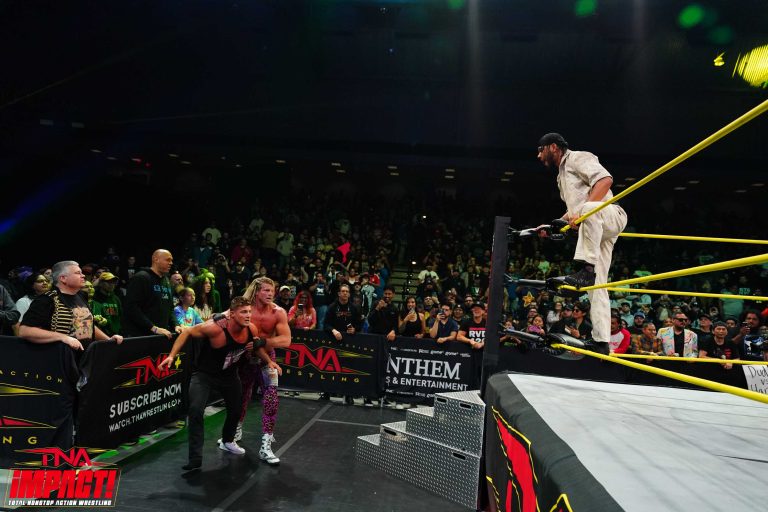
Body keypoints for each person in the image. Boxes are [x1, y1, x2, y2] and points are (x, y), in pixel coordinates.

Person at [158, 296, 280, 471]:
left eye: (249, 312)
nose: (248, 315)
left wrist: (269, 361)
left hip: (229, 376)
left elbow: (256, 346)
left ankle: (227, 441)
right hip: (204, 375)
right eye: (243, 312)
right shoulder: (214, 328)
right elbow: (187, 332)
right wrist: (171, 356)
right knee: (196, 410)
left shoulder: (251, 329)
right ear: (232, 314)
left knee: (237, 409)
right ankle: (195, 458)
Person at [536, 133, 628, 354]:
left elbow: (605, 180)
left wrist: (583, 213)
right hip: (595, 227)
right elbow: (574, 210)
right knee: (598, 286)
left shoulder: (578, 157)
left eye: (541, 150)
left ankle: (586, 269)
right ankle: (601, 341)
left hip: (610, 215)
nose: (538, 155)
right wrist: (554, 224)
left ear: (553, 147)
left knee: (588, 208)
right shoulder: (561, 176)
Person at [223, 277, 291, 465]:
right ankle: (234, 432)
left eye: (272, 290)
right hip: (244, 359)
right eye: (266, 290)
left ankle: (266, 445)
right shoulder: (245, 308)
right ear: (256, 291)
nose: (270, 294)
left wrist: (264, 341)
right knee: (241, 397)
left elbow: (286, 340)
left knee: (272, 399)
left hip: (267, 359)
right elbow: (224, 316)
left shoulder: (278, 312)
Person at [20, 261, 123, 351]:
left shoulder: (82, 296)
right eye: (78, 273)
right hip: (58, 360)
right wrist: (63, 337)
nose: (83, 276)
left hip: (84, 359)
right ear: (63, 278)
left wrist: (108, 340)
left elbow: (86, 325)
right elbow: (25, 331)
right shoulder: (47, 299)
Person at [123, 249, 182, 338]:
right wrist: (153, 328)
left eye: (171, 260)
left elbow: (170, 308)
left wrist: (176, 325)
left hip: (162, 335)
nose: (171, 263)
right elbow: (131, 307)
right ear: (156, 259)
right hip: (142, 336)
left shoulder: (166, 280)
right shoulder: (141, 277)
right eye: (168, 260)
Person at [91, 272, 122, 336]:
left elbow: (120, 316)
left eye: (113, 282)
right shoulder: (94, 298)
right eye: (108, 282)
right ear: (101, 283)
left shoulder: (116, 299)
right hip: (101, 335)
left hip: (116, 334)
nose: (112, 284)